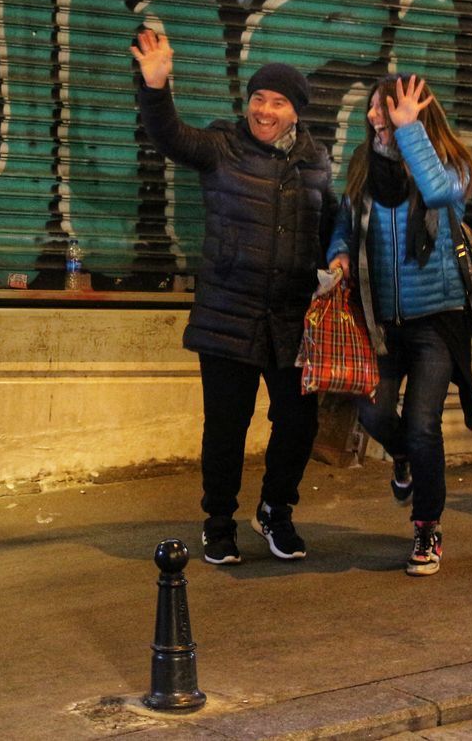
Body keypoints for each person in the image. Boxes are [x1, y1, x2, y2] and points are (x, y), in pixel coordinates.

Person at [130, 29, 335, 565]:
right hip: (228, 310)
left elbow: (332, 224)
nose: (264, 110)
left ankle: (276, 511)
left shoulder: (317, 162)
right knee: (227, 425)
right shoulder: (222, 146)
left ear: (296, 112)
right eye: (258, 99)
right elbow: (171, 135)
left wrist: (341, 256)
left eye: (278, 102)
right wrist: (155, 87)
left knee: (298, 422)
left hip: (292, 316)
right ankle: (218, 521)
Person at [327, 74, 472, 577]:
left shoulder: (452, 161)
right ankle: (404, 457)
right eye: (373, 110)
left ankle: (426, 528)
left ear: (412, 113)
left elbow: (439, 196)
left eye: (384, 109)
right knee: (371, 413)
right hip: (380, 321)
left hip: (438, 320)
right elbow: (344, 227)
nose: (375, 118)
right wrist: (341, 256)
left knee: (422, 424)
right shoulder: (361, 165)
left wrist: (410, 131)